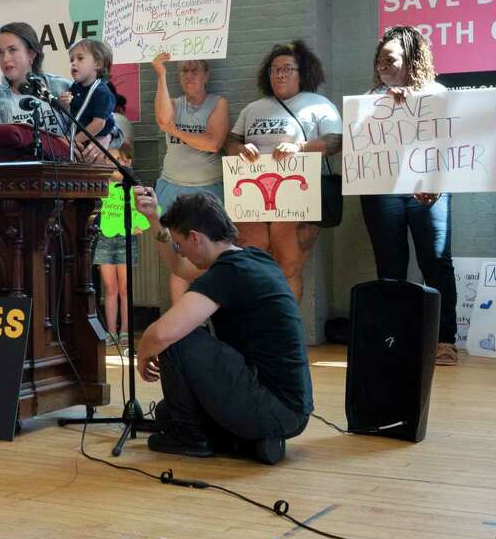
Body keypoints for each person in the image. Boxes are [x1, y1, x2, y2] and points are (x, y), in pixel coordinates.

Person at [132, 190, 312, 465]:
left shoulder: (229, 272)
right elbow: (180, 267)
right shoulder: (251, 258)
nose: (181, 252)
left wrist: (142, 355)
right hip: (291, 409)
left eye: (181, 244)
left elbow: (161, 333)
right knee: (168, 412)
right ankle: (249, 439)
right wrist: (153, 219)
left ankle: (191, 438)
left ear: (195, 238)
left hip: (272, 405)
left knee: (177, 340)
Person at [359, 26, 459, 366]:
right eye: (379, 60)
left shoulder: (437, 94)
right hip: (382, 192)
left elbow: (450, 146)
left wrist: (437, 182)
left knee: (436, 262)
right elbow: (360, 148)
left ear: (413, 59)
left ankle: (444, 340)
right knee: (390, 267)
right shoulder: (370, 99)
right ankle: (394, 340)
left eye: (390, 59)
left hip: (428, 190)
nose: (382, 66)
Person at [226, 41, 342, 302]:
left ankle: (285, 326)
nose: (280, 74)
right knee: (251, 265)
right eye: (275, 69)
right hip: (252, 195)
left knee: (287, 266)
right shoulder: (253, 108)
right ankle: (257, 324)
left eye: (287, 68)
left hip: (297, 194)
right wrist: (240, 149)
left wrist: (300, 147)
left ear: (303, 73)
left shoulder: (319, 104)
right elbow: (231, 141)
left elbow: (337, 142)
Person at [151, 52, 231, 303]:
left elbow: (213, 143)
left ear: (207, 75)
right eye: (184, 70)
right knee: (179, 257)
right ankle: (182, 319)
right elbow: (162, 120)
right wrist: (161, 74)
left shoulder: (218, 103)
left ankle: (209, 313)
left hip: (208, 190)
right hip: (172, 187)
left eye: (195, 70)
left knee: (211, 255)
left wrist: (175, 131)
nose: (189, 75)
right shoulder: (174, 103)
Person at [0, 22, 120, 160]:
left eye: (12, 50)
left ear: (32, 54)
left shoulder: (62, 86)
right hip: (19, 174)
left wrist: (105, 137)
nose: (5, 58)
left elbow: (110, 125)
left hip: (67, 172)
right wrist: (56, 144)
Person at [95, 143, 146, 352]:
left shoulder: (133, 186)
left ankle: (125, 329)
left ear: (127, 162)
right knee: (110, 288)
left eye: (116, 159)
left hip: (126, 238)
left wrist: (140, 223)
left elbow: (145, 208)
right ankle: (111, 331)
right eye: (108, 159)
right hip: (104, 239)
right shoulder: (101, 185)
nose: (111, 163)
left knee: (125, 288)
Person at [66, 37, 118, 160]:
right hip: (78, 142)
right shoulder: (75, 87)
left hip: (92, 147)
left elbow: (98, 124)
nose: (73, 63)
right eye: (71, 59)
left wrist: (72, 141)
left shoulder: (102, 92)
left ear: (98, 64)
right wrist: (63, 102)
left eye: (80, 58)